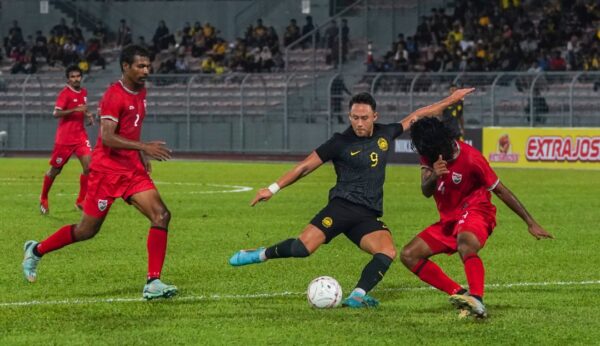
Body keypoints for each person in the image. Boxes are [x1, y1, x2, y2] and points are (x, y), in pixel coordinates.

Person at [229, 89, 474, 308]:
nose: (359, 123)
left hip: (367, 214)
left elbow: (419, 114)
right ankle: (259, 254)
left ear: (374, 117)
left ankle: (357, 295)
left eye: (364, 118)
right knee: (302, 248)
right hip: (341, 207)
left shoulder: (386, 134)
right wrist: (271, 189)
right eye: (355, 118)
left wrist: (451, 100)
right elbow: (304, 167)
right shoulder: (340, 142)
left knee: (386, 251)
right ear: (349, 117)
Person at [23, 45, 177, 300]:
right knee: (87, 230)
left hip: (132, 171)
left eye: (148, 66)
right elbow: (106, 137)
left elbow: (130, 129)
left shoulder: (141, 91)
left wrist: (140, 154)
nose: (146, 70)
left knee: (161, 215)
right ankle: (36, 250)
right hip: (106, 173)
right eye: (140, 66)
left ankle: (153, 282)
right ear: (125, 67)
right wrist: (144, 147)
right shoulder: (114, 96)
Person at [400, 117, 553, 319]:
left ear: (445, 140)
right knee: (409, 254)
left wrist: (530, 222)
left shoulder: (471, 158)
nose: (429, 155)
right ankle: (462, 295)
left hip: (477, 211)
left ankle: (477, 300)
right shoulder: (429, 153)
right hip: (450, 220)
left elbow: (501, 191)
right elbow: (425, 191)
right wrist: (434, 175)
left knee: (466, 244)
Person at [40, 65, 93, 215]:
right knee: (55, 170)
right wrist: (75, 110)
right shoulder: (65, 94)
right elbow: (56, 113)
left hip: (81, 136)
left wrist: (88, 115)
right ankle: (43, 197)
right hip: (65, 139)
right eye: (72, 77)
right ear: (68, 79)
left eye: (78, 76)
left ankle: (81, 201)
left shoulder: (83, 92)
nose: (76, 79)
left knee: (90, 167)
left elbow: (82, 107)